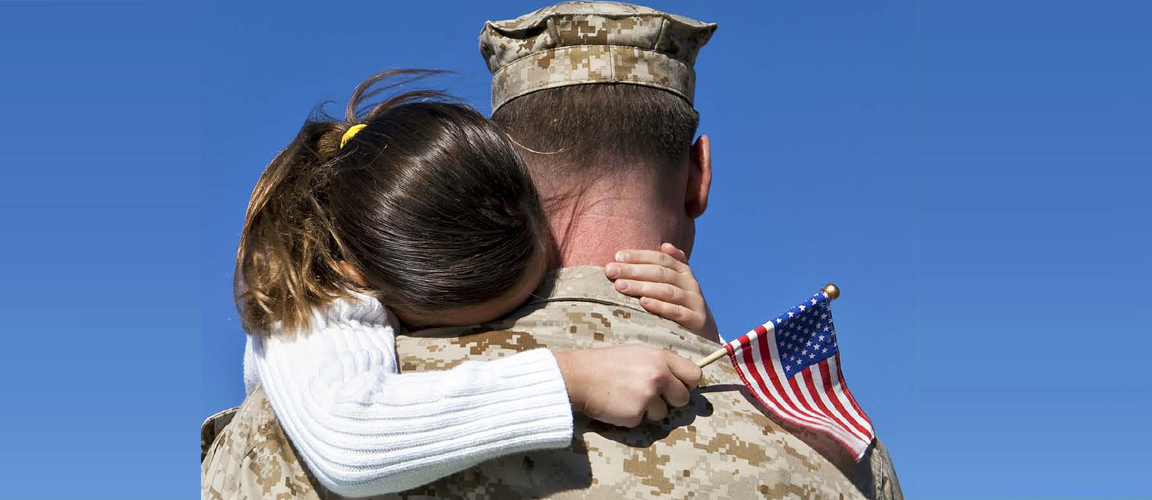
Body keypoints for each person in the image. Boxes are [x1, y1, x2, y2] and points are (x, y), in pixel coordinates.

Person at [202, 2, 904, 499]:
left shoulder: (281, 431)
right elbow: (351, 435)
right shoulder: (844, 462)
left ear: (501, 168)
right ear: (699, 175)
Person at [233, 69, 722, 498]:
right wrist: (572, 378)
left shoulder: (374, 255)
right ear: (377, 285)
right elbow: (348, 441)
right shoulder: (313, 304)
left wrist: (704, 337)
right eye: (476, 327)